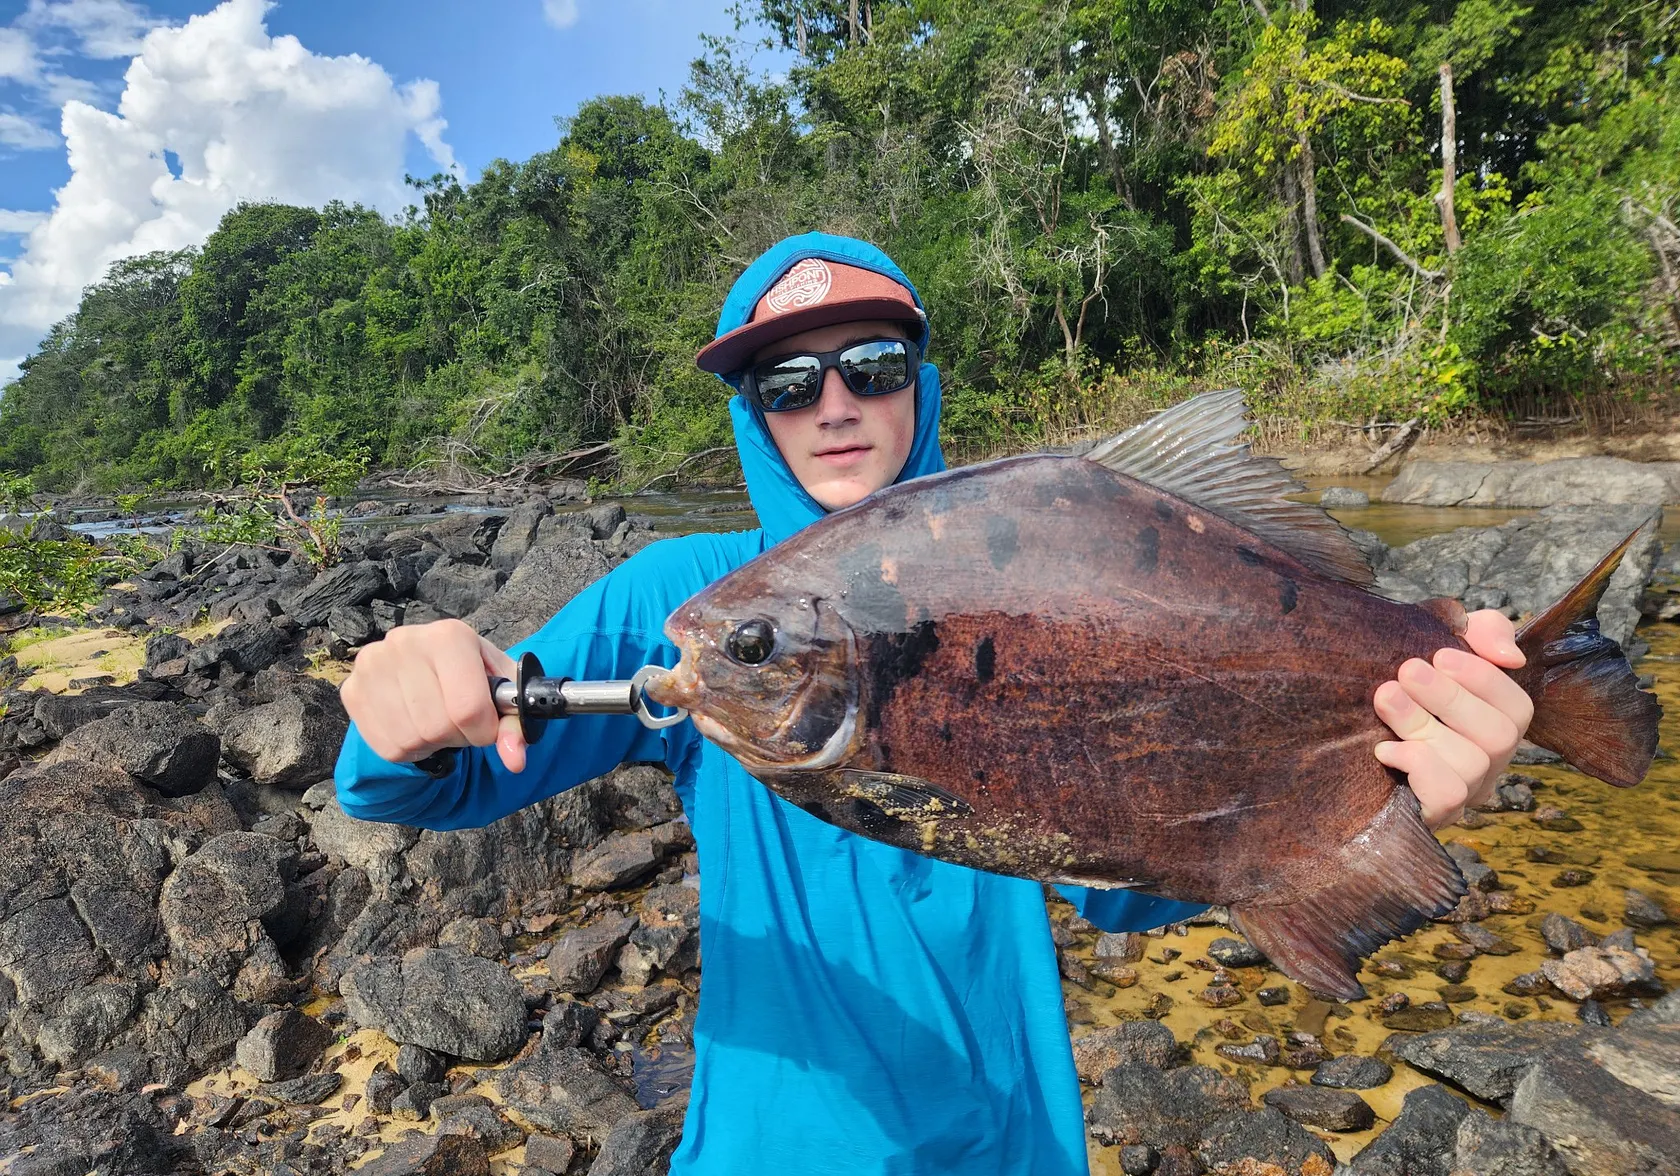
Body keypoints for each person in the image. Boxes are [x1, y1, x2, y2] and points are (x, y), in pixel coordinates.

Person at [335, 233, 1533, 1175]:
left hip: (1019, 1145)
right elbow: (426, 780)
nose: (836, 404)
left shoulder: (1026, 573)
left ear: (921, 383)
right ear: (754, 410)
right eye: (790, 380)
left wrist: (1391, 801)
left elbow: (1124, 895)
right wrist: (395, 711)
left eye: (874, 366)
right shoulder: (681, 601)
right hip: (772, 1154)